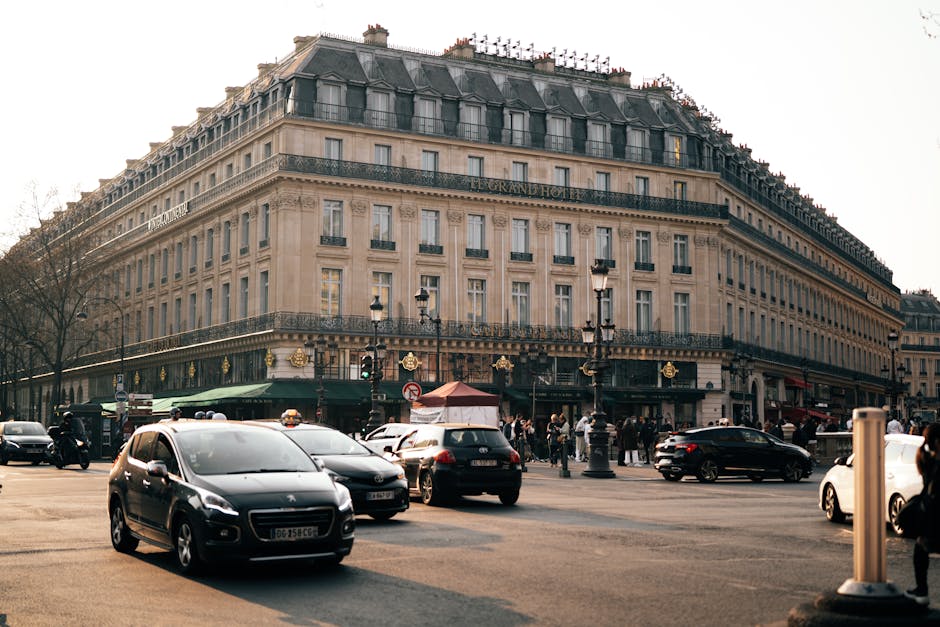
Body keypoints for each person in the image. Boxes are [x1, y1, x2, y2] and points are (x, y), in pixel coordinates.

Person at [906, 422, 940, 606]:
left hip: (933, 521)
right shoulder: (933, 463)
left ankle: (922, 589)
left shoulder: (929, 463)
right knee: (921, 548)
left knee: (921, 550)